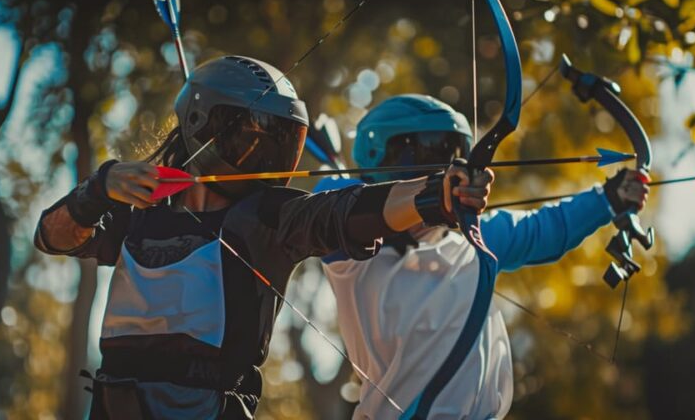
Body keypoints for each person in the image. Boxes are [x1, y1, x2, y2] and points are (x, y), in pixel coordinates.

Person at [33, 59, 494, 419]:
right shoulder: (139, 213)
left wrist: (438, 194)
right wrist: (97, 189)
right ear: (201, 125)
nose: (267, 157)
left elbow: (350, 210)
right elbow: (53, 238)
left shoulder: (268, 219)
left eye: (281, 144)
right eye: (252, 139)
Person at [315, 94, 650, 419]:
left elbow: (546, 228)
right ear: (379, 157)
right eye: (428, 151)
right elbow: (332, 199)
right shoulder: (351, 255)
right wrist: (433, 198)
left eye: (455, 153)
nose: (447, 165)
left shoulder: (472, 242)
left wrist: (608, 197)